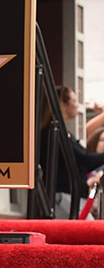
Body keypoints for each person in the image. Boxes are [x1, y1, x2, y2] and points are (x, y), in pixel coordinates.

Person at [42, 85, 104, 218]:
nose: (78, 106)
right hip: (64, 196)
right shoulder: (54, 133)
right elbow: (85, 160)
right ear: (64, 104)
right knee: (89, 233)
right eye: (75, 101)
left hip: (72, 196)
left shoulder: (62, 133)